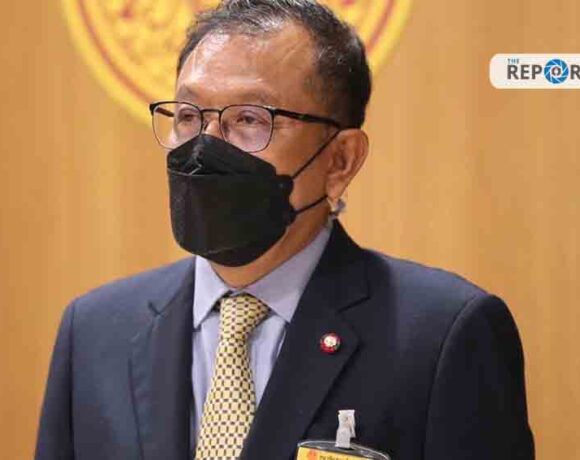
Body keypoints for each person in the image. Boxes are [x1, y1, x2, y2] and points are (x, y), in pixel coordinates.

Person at [35, 1, 535, 459]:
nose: (205, 147)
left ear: (340, 160)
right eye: (188, 116)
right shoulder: (94, 332)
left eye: (249, 119)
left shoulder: (442, 337)